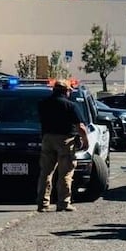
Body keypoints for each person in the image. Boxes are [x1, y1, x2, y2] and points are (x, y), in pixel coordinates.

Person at [36, 81, 89, 212]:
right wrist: (85, 140)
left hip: (47, 139)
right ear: (66, 91)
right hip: (65, 140)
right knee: (65, 173)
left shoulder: (43, 104)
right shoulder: (70, 105)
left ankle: (43, 204)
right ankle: (63, 203)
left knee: (46, 173)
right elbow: (80, 126)